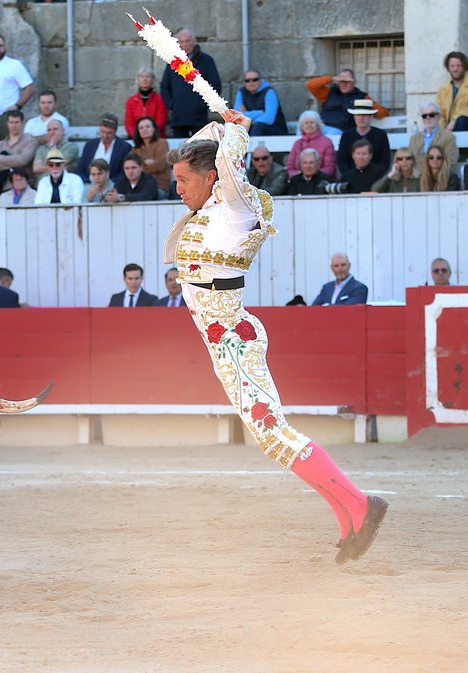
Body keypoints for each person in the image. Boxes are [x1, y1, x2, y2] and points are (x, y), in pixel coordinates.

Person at [167, 109, 386, 561]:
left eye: (184, 180)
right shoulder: (212, 207)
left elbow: (227, 163)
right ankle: (350, 521)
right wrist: (225, 124)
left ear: (211, 178)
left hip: (233, 338)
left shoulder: (233, 209)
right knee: (272, 434)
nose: (178, 188)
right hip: (224, 340)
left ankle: (361, 505)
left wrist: (240, 132)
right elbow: (211, 148)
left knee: (271, 433)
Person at [160, 29, 221, 138]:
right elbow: (165, 86)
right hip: (178, 117)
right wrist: (172, 105)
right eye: (181, 42)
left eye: (187, 41)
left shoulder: (206, 60)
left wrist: (202, 105)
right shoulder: (172, 63)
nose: (185, 45)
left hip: (199, 116)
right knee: (179, 151)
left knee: (199, 150)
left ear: (194, 42)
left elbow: (215, 85)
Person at [305, 69, 387, 134]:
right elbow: (310, 85)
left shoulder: (361, 97)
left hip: (344, 132)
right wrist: (332, 78)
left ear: (353, 82)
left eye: (347, 81)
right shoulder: (329, 93)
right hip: (324, 128)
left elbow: (383, 112)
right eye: (341, 81)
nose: (344, 84)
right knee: (305, 118)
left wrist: (368, 113)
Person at [436, 51, 468, 131]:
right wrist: (442, 130)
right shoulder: (443, 89)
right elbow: (440, 114)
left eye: (458, 66)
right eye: (452, 66)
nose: (455, 69)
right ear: (448, 68)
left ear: (465, 66)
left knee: (462, 121)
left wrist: (454, 120)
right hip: (450, 128)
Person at [337, 99, 390, 176]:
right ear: (354, 117)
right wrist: (350, 176)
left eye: (365, 115)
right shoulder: (346, 136)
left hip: (375, 178)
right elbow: (342, 161)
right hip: (351, 178)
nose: (361, 118)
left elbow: (385, 161)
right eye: (358, 114)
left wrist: (375, 174)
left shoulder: (381, 135)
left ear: (371, 117)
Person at [77, 113, 132, 183]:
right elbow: (80, 169)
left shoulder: (124, 147)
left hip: (112, 186)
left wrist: (109, 185)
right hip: (89, 184)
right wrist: (86, 183)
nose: (105, 136)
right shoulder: (90, 145)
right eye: (102, 132)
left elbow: (124, 173)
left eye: (109, 133)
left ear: (115, 131)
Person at [0, 110, 37, 182]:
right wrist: (14, 164)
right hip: (1, 185)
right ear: (7, 124)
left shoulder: (30, 141)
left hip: (22, 183)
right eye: (11, 122)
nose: (14, 126)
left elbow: (22, 161)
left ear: (22, 123)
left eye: (16, 122)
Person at [235, 69, 287, 136]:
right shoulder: (241, 92)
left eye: (255, 80)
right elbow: (236, 117)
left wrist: (246, 116)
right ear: (244, 82)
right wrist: (260, 113)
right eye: (247, 81)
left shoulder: (269, 92)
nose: (251, 83)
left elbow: (269, 119)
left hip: (275, 129)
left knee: (257, 127)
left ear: (260, 80)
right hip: (252, 127)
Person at [286, 110, 336, 177]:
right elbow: (290, 167)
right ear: (301, 126)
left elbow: (330, 168)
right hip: (299, 181)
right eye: (306, 123)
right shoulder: (297, 144)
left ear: (318, 125)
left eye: (312, 122)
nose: (309, 125)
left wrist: (312, 175)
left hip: (320, 180)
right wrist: (300, 176)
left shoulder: (326, 142)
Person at [124, 67, 167, 140]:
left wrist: (150, 134)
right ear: (138, 79)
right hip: (136, 139)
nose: (145, 79)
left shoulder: (159, 99)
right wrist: (137, 136)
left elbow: (161, 121)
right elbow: (129, 123)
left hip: (156, 138)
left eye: (148, 76)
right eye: (142, 76)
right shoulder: (131, 101)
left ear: (152, 80)